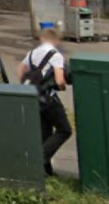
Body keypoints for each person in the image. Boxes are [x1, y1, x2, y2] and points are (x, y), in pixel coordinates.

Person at [18, 28, 72, 177]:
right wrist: (62, 87)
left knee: (46, 132)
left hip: (33, 96)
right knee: (64, 130)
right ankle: (39, 158)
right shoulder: (56, 55)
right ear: (54, 40)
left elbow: (21, 70)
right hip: (48, 98)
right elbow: (60, 79)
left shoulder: (32, 53)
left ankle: (46, 170)